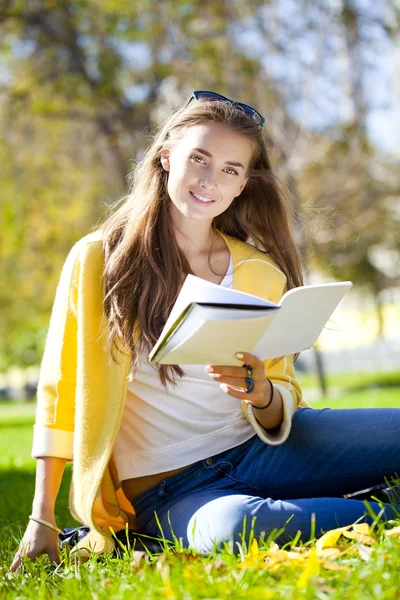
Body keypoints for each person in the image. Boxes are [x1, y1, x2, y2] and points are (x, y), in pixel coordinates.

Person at [10, 91, 400, 571]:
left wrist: (261, 395)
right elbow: (59, 390)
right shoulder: (98, 259)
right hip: (168, 490)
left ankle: (343, 491)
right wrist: (41, 517)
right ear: (167, 157)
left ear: (241, 186)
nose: (211, 179)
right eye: (200, 158)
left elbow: (282, 391)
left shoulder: (260, 271)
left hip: (263, 449)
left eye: (231, 169)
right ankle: (380, 508)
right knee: (237, 528)